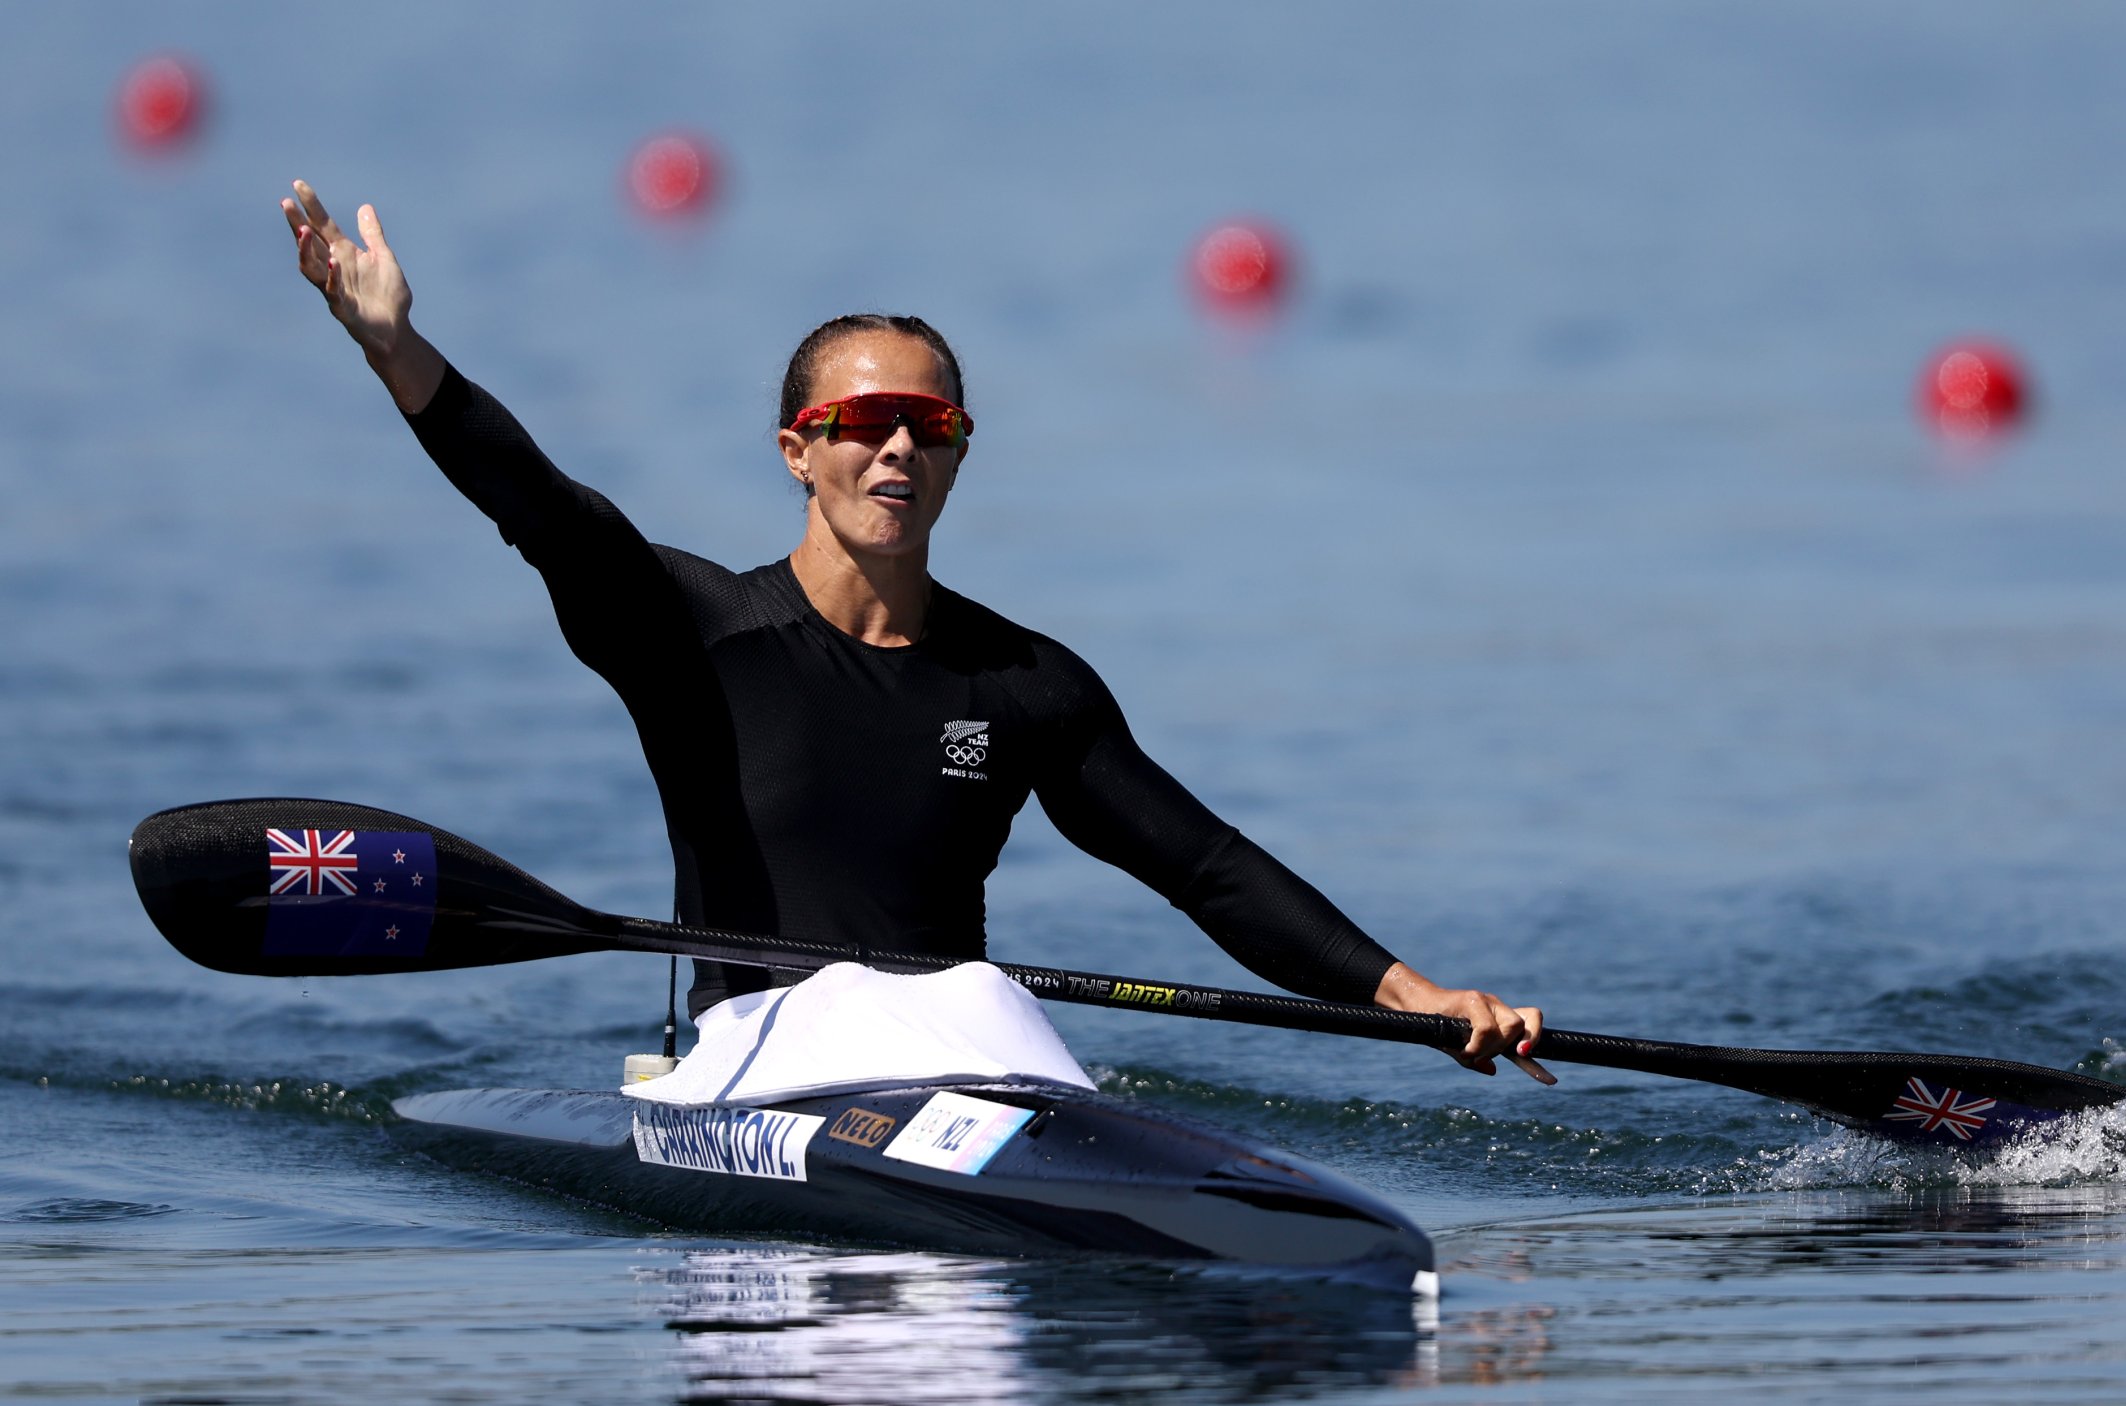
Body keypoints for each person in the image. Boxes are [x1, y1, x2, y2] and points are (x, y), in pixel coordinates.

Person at [280, 179, 1552, 1083]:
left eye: (929, 424)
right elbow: (541, 508)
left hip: (966, 1047)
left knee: (992, 1015)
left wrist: (1414, 995)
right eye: (865, 418)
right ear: (798, 451)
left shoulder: (1025, 686)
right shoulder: (689, 627)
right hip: (756, 1061)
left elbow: (1204, 865)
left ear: (955, 456)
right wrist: (398, 350)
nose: (896, 443)